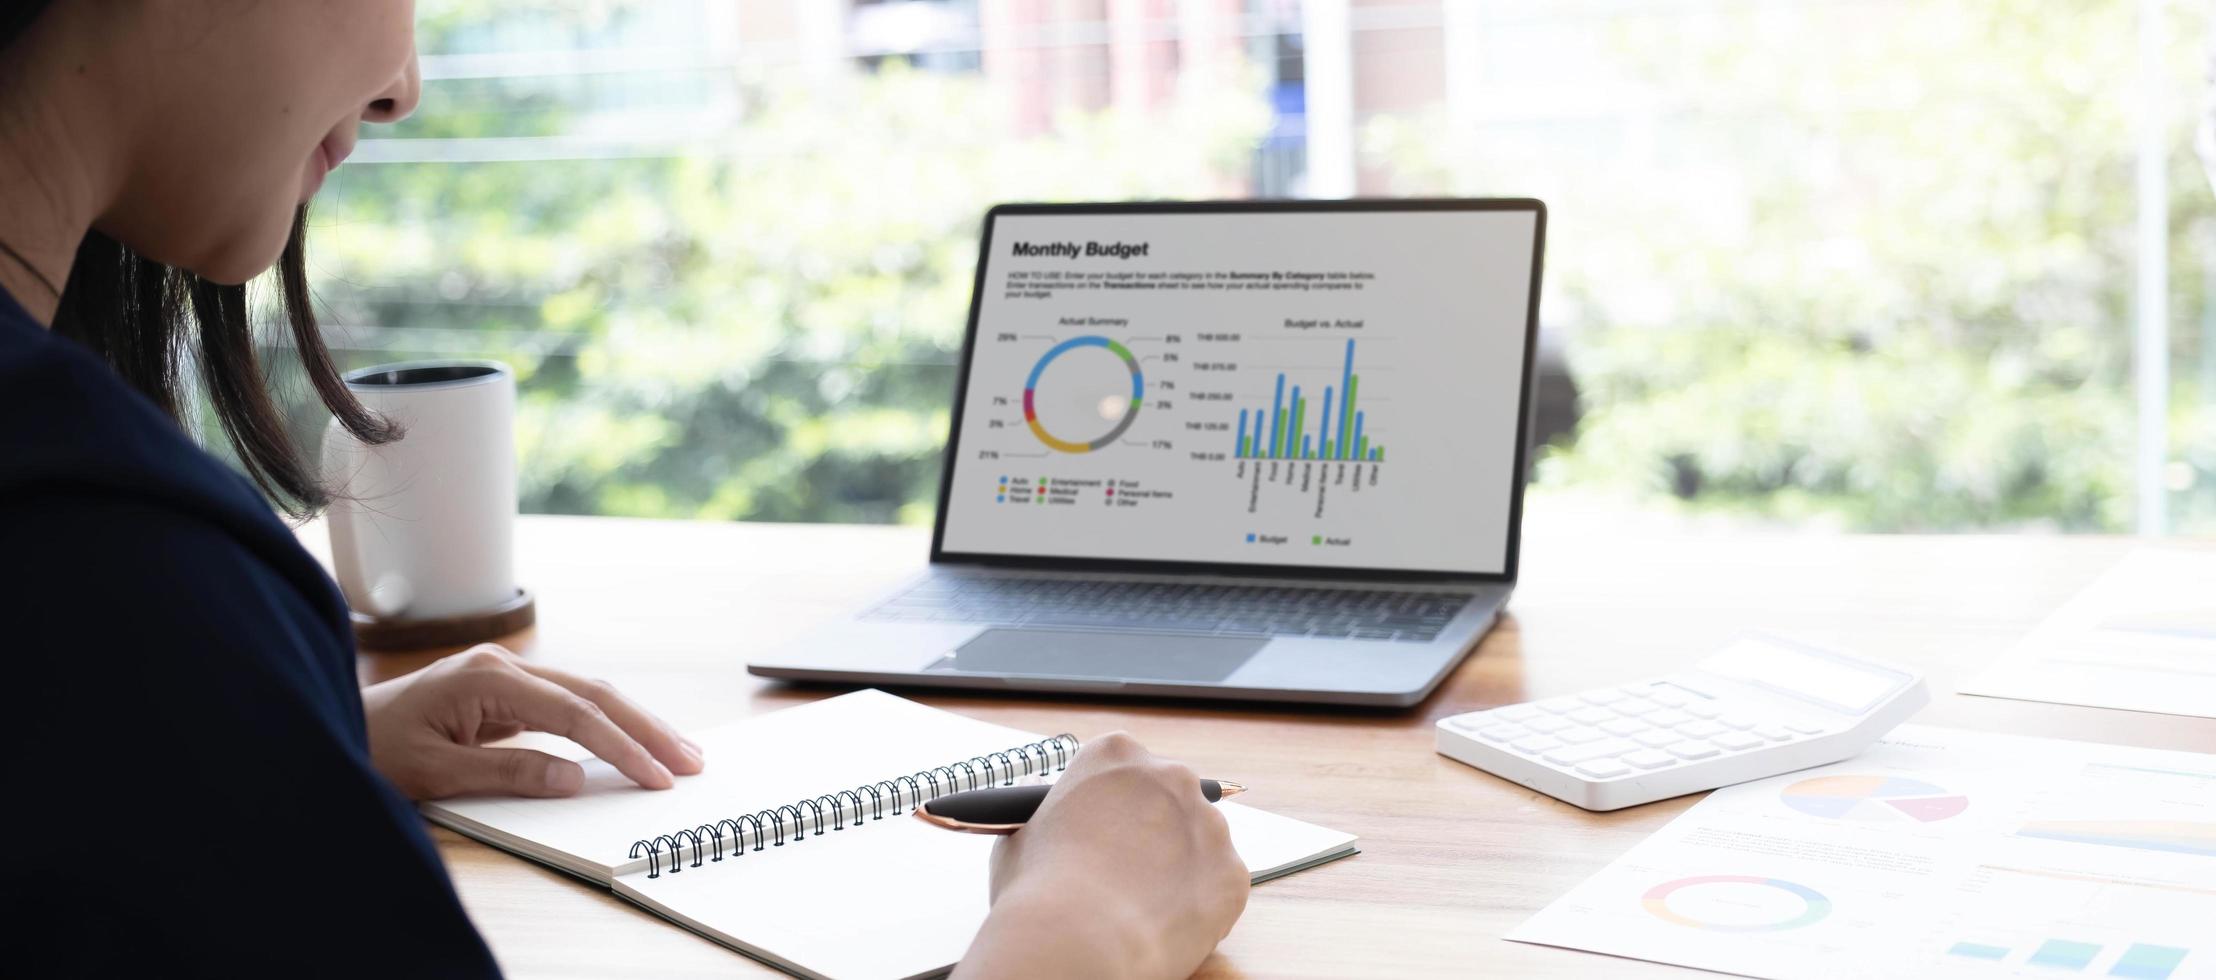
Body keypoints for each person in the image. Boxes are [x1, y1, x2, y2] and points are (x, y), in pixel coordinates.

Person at [0, 3, 1247, 977]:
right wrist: (1076, 932)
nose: (403, 83)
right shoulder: (97, 557)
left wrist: (256, 749)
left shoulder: (110, 619)